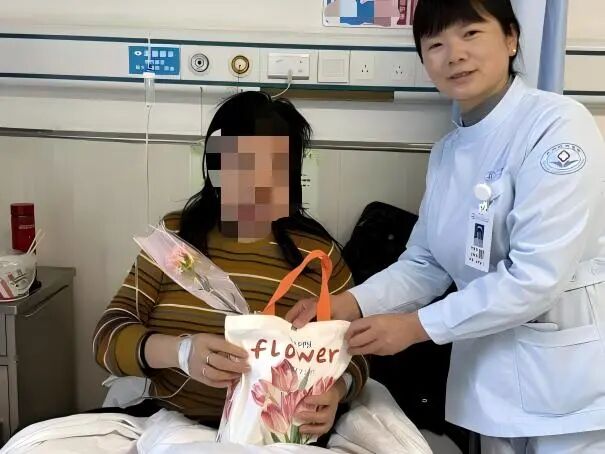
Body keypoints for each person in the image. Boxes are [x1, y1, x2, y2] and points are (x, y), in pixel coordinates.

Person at [287, 0, 605, 452]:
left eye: (471, 33)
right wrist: (348, 304)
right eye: (435, 44)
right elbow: (425, 262)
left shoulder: (556, 125)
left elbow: (536, 277)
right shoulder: (448, 153)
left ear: (511, 39)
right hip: (492, 383)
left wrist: (414, 327)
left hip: (569, 386)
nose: (454, 54)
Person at [93, 91, 368, 440]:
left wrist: (337, 391)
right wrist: (181, 352)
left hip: (273, 438)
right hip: (171, 428)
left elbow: (357, 351)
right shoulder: (175, 243)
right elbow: (107, 338)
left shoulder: (318, 257)